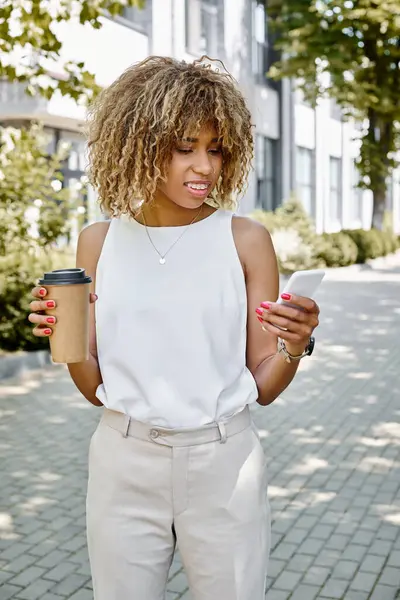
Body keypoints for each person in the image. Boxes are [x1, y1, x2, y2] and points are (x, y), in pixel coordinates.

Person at [28, 56, 320, 600]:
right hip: (122, 461)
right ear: (140, 142)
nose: (204, 165)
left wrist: (295, 344)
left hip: (224, 464)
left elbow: (263, 385)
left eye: (215, 148)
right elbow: (94, 389)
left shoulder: (245, 240)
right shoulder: (98, 242)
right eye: (184, 146)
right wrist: (63, 339)